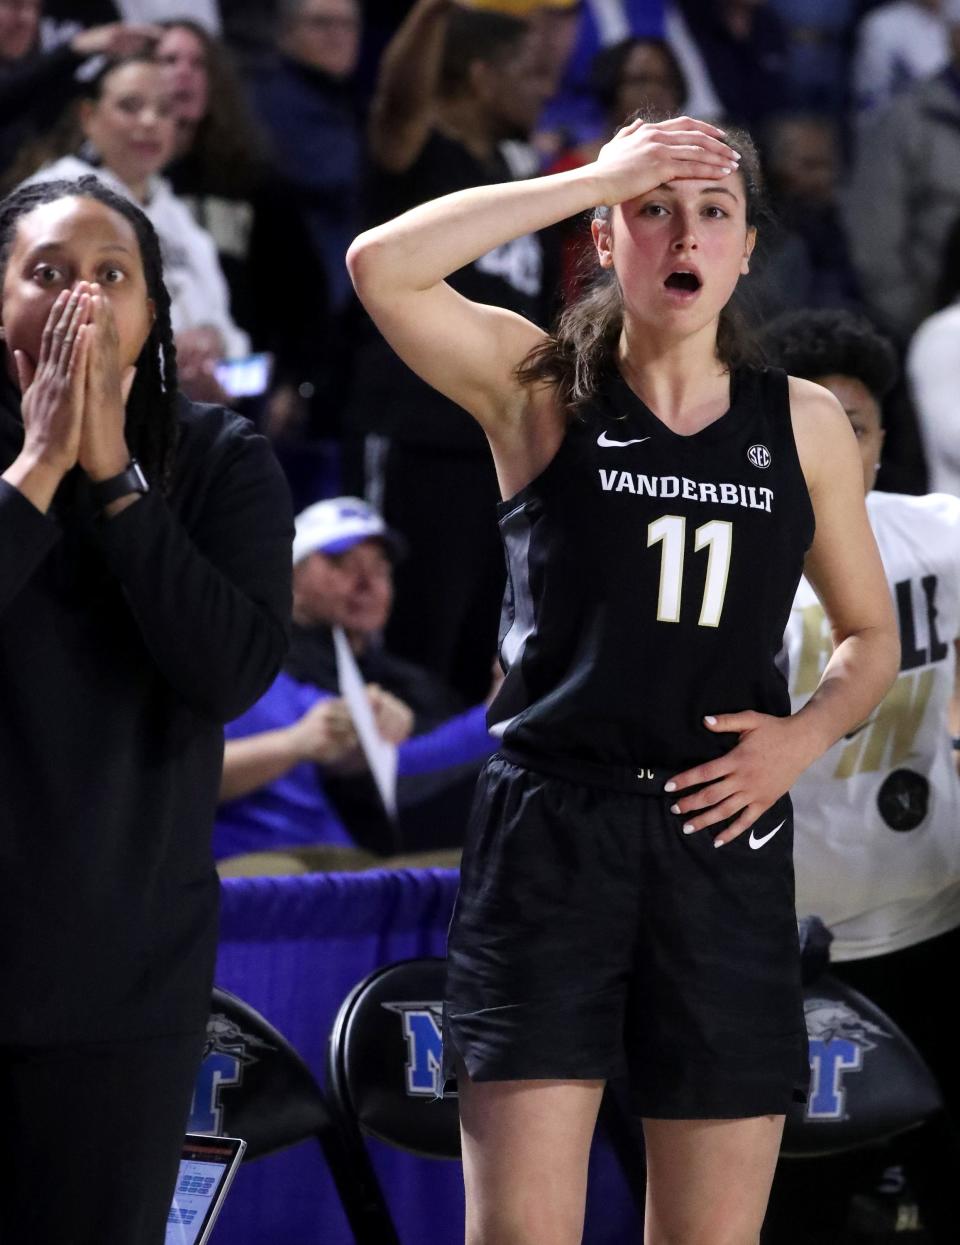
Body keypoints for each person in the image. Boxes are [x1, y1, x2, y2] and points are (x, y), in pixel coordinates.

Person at [347, 112, 899, 1241]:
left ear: (747, 248)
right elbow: (381, 266)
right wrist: (596, 174)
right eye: (651, 210)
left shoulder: (800, 422)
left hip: (720, 837)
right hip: (554, 827)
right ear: (604, 238)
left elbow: (867, 640)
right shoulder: (541, 383)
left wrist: (800, 737)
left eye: (711, 211)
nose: (681, 234)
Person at [0, 174, 292, 1242]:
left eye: (110, 274)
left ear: (154, 313)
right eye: (47, 273)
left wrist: (117, 479)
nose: (80, 298)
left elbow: (230, 671)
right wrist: (37, 468)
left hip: (121, 980)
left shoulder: (219, 461)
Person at [762, 307, 960, 1242]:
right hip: (767, 952)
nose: (841, 443)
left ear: (885, 440)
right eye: (817, 421)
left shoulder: (939, 535)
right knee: (793, 1212)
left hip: (929, 932)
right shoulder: (721, 564)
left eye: (861, 425)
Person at [349, 0, 553, 704]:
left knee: (482, 650)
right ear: (478, 74)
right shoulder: (420, 152)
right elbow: (397, 101)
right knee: (413, 642)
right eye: (527, 73)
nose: (546, 87)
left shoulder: (510, 172)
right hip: (419, 437)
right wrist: (434, 9)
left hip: (495, 445)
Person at [217, 496, 497, 860]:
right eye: (340, 564)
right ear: (289, 576)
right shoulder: (268, 666)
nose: (367, 582)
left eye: (380, 568)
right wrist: (494, 718)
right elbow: (388, 776)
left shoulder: (408, 679)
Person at [15, 52, 249, 397]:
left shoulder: (178, 216)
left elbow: (229, 332)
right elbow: (44, 324)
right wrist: (166, 354)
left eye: (165, 110)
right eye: (130, 106)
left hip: (181, 414)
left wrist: (214, 342)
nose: (150, 121)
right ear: (88, 116)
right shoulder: (54, 200)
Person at [846, 0, 960, 344]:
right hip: (930, 325)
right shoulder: (904, 121)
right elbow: (874, 235)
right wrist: (918, 327)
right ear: (955, 38)